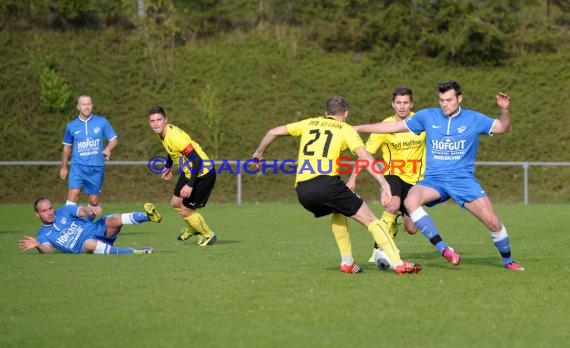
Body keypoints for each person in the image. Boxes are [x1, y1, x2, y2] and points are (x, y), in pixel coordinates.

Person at [354, 80, 524, 271]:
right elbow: (393, 127)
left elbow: (503, 127)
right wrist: (360, 128)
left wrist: (504, 110)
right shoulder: (428, 116)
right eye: (442, 100)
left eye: (449, 100)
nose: (445, 104)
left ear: (459, 98)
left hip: (462, 181)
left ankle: (508, 261)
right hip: (434, 181)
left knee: (493, 222)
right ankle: (444, 249)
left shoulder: (473, 119)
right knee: (411, 200)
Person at [251, 96, 422, 274]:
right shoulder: (345, 129)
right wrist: (384, 183)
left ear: (326, 113)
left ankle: (347, 262)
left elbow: (272, 132)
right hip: (327, 184)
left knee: (339, 213)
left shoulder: (309, 123)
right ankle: (397, 262)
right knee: (372, 220)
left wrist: (259, 152)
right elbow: (365, 157)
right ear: (346, 113)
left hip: (303, 190)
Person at [346, 87, 425, 263]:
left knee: (412, 228)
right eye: (398, 103)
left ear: (411, 104)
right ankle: (378, 251)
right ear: (393, 104)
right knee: (392, 205)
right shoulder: (384, 127)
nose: (402, 106)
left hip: (416, 181)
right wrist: (353, 177)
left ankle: (394, 226)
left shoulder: (421, 122)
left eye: (406, 103)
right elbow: (365, 154)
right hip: (393, 175)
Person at [148, 106, 217, 246]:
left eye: (159, 120)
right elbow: (172, 151)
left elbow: (198, 161)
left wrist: (190, 185)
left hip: (203, 174)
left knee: (186, 211)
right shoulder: (164, 134)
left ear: (165, 120)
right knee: (175, 202)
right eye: (152, 121)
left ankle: (208, 235)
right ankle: (192, 228)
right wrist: (167, 167)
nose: (155, 123)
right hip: (190, 172)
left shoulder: (175, 137)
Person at [19, 198, 162, 254]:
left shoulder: (63, 210)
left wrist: (90, 210)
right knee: (90, 244)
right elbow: (48, 251)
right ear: (37, 215)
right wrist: (38, 245)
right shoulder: (42, 235)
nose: (50, 212)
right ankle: (135, 252)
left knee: (115, 218)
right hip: (83, 246)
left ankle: (149, 216)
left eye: (50, 208)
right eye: (44, 211)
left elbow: (81, 211)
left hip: (96, 230)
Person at [60, 95, 118, 216]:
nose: (86, 106)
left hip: (96, 168)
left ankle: (89, 224)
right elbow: (67, 147)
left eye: (89, 104)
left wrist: (107, 149)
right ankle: (65, 224)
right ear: (78, 107)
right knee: (73, 194)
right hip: (78, 166)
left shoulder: (102, 122)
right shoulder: (71, 126)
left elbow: (114, 140)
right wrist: (64, 166)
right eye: (83, 104)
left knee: (93, 201)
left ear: (92, 106)